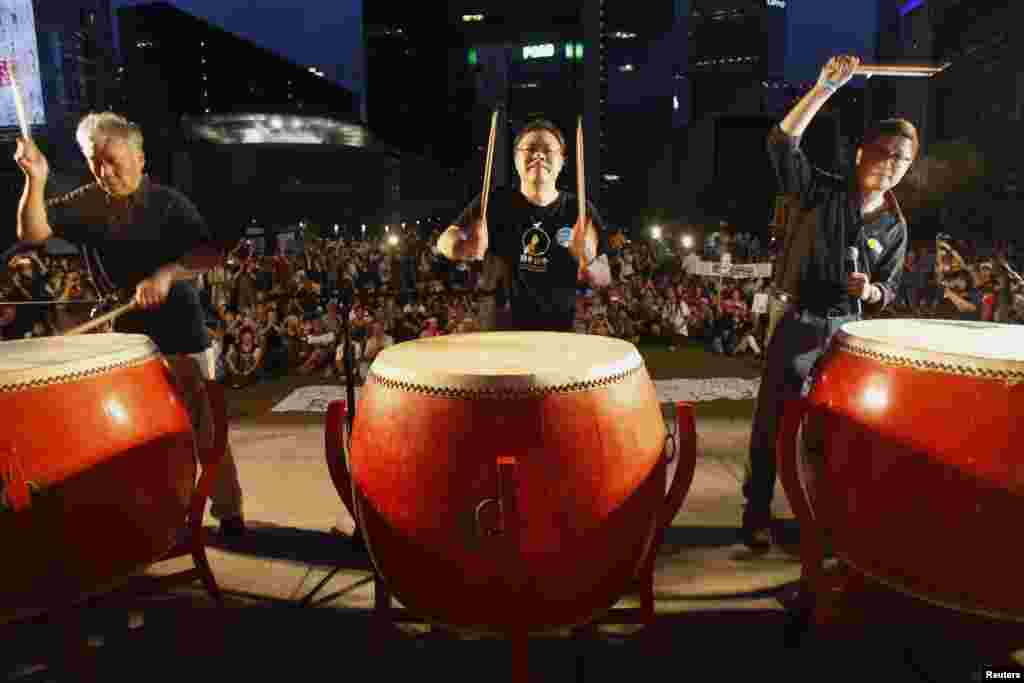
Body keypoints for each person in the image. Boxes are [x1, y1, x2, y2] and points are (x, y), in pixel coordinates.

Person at [13, 112, 247, 537]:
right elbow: (33, 233)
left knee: (204, 427)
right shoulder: (87, 201)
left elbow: (208, 253)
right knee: (138, 432)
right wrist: (37, 178)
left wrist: (167, 274)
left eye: (114, 161)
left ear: (140, 158)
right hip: (123, 340)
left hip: (180, 333)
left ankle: (228, 508)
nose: (105, 172)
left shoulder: (169, 203)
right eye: (94, 161)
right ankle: (157, 512)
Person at [742, 56, 914, 549]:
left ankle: (822, 517)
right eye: (883, 152)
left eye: (902, 159)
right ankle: (756, 513)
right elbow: (781, 143)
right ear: (862, 154)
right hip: (798, 320)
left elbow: (890, 289)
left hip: (847, 333)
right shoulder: (818, 191)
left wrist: (873, 292)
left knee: (832, 429)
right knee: (773, 421)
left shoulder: (895, 227)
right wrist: (823, 89)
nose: (891, 164)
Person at [436, 119, 613, 332]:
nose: (538, 155)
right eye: (530, 149)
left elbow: (605, 277)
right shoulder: (494, 201)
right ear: (515, 158)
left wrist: (589, 260)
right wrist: (462, 247)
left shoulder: (581, 209)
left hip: (561, 332)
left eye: (547, 150)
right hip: (502, 330)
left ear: (563, 160)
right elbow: (444, 240)